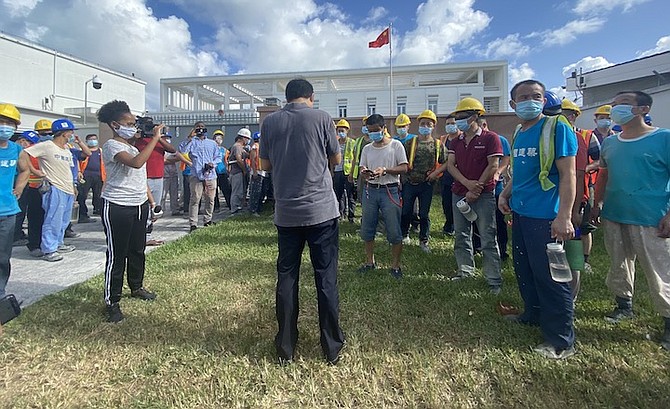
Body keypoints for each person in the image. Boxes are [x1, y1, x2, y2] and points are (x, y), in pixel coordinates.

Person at [260, 78, 345, 365]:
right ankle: (331, 347)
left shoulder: (270, 123)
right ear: (311, 96)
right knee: (326, 277)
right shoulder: (322, 118)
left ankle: (286, 346)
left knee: (287, 277)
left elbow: (264, 165)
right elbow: (336, 158)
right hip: (321, 211)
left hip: (287, 213)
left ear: (287, 97)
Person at [498, 79, 577, 359]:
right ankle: (532, 314)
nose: (530, 100)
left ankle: (560, 340)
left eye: (536, 96)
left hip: (546, 216)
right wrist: (505, 194)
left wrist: (564, 216)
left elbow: (568, 175)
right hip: (521, 212)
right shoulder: (520, 131)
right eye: (523, 97)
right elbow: (520, 173)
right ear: (513, 104)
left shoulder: (557, 128)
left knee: (551, 278)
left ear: (544, 101)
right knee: (527, 270)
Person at [590, 90, 670, 350]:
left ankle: (668, 323)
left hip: (651, 217)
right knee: (619, 264)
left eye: (623, 103)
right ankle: (623, 306)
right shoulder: (611, 143)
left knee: (659, 271)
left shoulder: (663, 138)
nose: (615, 109)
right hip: (616, 212)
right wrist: (597, 204)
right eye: (614, 104)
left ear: (643, 109)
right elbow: (603, 175)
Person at [96, 100, 161, 323]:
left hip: (138, 204)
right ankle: (111, 301)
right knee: (117, 254)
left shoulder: (133, 145)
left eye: (135, 123)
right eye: (130, 123)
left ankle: (136, 286)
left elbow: (139, 172)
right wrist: (154, 138)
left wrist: (149, 202)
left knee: (137, 249)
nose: (134, 127)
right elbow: (135, 163)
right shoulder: (112, 146)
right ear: (115, 125)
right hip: (117, 205)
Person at [431, 98, 503, 293]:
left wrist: (477, 187)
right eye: (457, 117)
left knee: (488, 236)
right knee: (461, 235)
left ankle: (493, 278)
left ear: (474, 117)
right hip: (459, 194)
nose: (458, 121)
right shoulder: (456, 141)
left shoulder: (491, 138)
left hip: (484, 195)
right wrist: (466, 184)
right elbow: (451, 165)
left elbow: (493, 165)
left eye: (462, 117)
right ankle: (465, 270)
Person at [358, 113, 409, 279]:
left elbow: (404, 167)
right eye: (370, 131)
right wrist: (365, 173)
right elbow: (362, 167)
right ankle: (369, 261)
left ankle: (395, 265)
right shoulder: (367, 148)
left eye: (376, 130)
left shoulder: (396, 146)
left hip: (390, 190)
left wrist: (385, 170)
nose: (373, 134)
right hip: (371, 190)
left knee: (394, 229)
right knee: (367, 227)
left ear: (384, 129)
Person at [25, 119, 79, 262]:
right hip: (55, 188)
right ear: (64, 133)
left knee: (63, 220)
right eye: (70, 132)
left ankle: (59, 243)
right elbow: (24, 154)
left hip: (67, 188)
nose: (72, 135)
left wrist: (73, 188)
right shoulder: (47, 146)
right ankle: (49, 249)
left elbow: (69, 170)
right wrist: (33, 170)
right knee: (52, 219)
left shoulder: (66, 149)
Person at [404, 109, 446, 253]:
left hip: (427, 184)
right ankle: (404, 235)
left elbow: (446, 162)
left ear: (433, 126)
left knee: (424, 214)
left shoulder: (438, 144)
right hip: (410, 183)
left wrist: (436, 173)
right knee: (406, 211)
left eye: (429, 124)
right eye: (423, 123)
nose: (425, 126)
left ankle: (424, 240)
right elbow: (402, 161)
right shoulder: (411, 142)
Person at [0, 103, 30, 298]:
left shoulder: (17, 149)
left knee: (3, 256)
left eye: (9, 123)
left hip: (7, 211)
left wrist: (19, 187)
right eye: (1, 121)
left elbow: (25, 169)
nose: (5, 126)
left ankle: (0, 293)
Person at [135, 123, 177, 244]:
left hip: (159, 177)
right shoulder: (138, 141)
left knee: (155, 210)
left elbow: (172, 150)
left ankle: (147, 235)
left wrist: (157, 137)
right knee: (144, 208)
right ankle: (142, 237)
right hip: (144, 178)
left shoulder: (159, 141)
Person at [180, 121, 221, 231]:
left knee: (210, 198)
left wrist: (213, 163)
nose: (200, 129)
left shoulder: (212, 143)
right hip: (196, 174)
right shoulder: (191, 142)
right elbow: (183, 150)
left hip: (210, 175)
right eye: (198, 127)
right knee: (195, 199)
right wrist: (189, 138)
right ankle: (193, 223)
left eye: (202, 127)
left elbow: (218, 156)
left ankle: (208, 220)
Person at [12, 131, 38, 246]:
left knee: (21, 211)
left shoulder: (32, 153)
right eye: (22, 139)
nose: (23, 142)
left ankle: (17, 233)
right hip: (15, 184)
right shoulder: (13, 150)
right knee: (18, 211)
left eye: (27, 141)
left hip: (25, 185)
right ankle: (15, 236)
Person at [439, 114, 460, 235]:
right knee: (446, 203)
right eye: (448, 124)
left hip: (459, 177)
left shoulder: (462, 138)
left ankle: (458, 226)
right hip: (445, 177)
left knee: (458, 203)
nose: (450, 126)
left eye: (453, 123)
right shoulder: (443, 139)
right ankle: (449, 225)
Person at [77, 134, 105, 222]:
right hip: (85, 176)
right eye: (90, 139)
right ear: (86, 141)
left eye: (94, 139)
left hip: (99, 176)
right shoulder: (83, 151)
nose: (93, 141)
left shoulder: (101, 151)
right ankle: (83, 214)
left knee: (98, 195)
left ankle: (98, 209)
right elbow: (78, 161)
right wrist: (78, 172)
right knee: (82, 195)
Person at [332, 120, 355, 221]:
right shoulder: (335, 143)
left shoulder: (352, 143)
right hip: (337, 171)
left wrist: (351, 173)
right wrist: (332, 171)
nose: (340, 132)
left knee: (350, 195)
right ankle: (341, 214)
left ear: (347, 131)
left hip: (347, 172)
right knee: (339, 194)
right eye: (339, 130)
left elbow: (354, 158)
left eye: (342, 130)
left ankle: (351, 215)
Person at [228, 128, 251, 215]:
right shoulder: (237, 147)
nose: (248, 141)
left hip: (238, 172)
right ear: (243, 138)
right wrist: (244, 169)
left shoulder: (240, 147)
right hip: (236, 172)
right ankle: (235, 209)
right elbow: (238, 159)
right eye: (247, 139)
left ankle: (238, 207)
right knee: (237, 192)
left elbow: (246, 155)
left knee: (240, 191)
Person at [248, 131, 270, 216]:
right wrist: (254, 172)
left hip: (263, 171)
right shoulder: (255, 147)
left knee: (262, 191)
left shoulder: (262, 147)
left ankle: (259, 208)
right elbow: (253, 160)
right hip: (257, 171)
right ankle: (253, 210)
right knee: (256, 192)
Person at [161, 133, 182, 215]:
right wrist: (170, 160)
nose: (167, 140)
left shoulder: (171, 149)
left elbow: (178, 158)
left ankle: (175, 210)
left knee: (174, 193)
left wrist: (168, 160)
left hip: (173, 174)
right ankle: (161, 210)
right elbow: (162, 161)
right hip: (164, 175)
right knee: (163, 195)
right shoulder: (160, 148)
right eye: (165, 138)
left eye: (168, 138)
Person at [212, 130, 232, 212]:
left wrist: (228, 169)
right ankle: (216, 206)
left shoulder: (224, 150)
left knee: (226, 189)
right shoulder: (211, 149)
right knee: (214, 192)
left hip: (222, 172)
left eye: (220, 138)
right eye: (217, 137)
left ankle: (230, 204)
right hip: (214, 172)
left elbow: (227, 160)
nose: (219, 140)